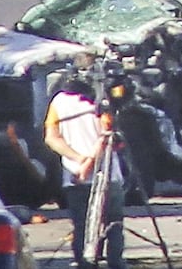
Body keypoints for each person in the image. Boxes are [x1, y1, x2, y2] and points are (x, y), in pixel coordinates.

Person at [44, 63, 127, 269]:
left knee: (81, 226)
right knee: (113, 224)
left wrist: (77, 160)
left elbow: (51, 138)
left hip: (73, 177)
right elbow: (106, 136)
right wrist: (87, 164)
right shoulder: (101, 99)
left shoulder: (59, 101)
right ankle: (115, 263)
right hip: (106, 175)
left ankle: (84, 263)